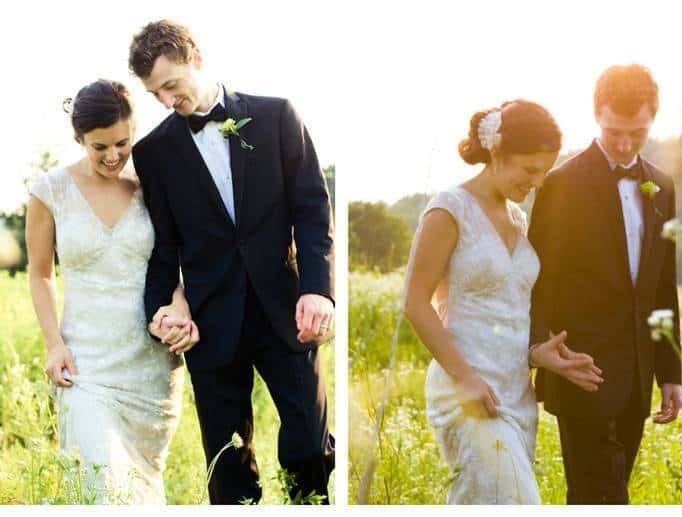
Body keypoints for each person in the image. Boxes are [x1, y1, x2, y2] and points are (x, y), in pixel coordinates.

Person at [128, 20, 335, 504]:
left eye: (171, 86)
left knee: (309, 444)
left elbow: (311, 209)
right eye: (154, 93)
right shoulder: (153, 153)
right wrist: (162, 310)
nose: (165, 101)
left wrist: (317, 288)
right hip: (211, 322)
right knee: (227, 464)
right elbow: (162, 246)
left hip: (287, 311)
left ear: (195, 59)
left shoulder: (277, 116)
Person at [405, 100, 604, 504]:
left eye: (545, 171)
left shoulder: (518, 218)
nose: (539, 182)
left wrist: (537, 355)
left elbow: (507, 309)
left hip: (517, 394)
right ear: (496, 152)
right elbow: (415, 303)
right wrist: (465, 378)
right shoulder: (449, 209)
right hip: (469, 391)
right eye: (530, 169)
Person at [26, 79, 198, 503]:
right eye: (99, 146)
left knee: (140, 490)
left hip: (150, 368)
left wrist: (180, 304)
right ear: (79, 138)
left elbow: (182, 259)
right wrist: (54, 344)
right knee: (103, 487)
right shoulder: (50, 191)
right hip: (86, 365)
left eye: (122, 143)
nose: (113, 156)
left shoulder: (152, 185)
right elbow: (40, 274)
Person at [529, 64, 682, 504]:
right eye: (615, 130)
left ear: (653, 118)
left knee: (604, 493)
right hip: (581, 371)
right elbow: (539, 279)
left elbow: (661, 286)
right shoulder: (561, 185)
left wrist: (671, 372)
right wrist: (543, 350)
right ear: (597, 113)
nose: (625, 143)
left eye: (637, 132)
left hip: (638, 375)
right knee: (602, 494)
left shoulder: (664, 186)